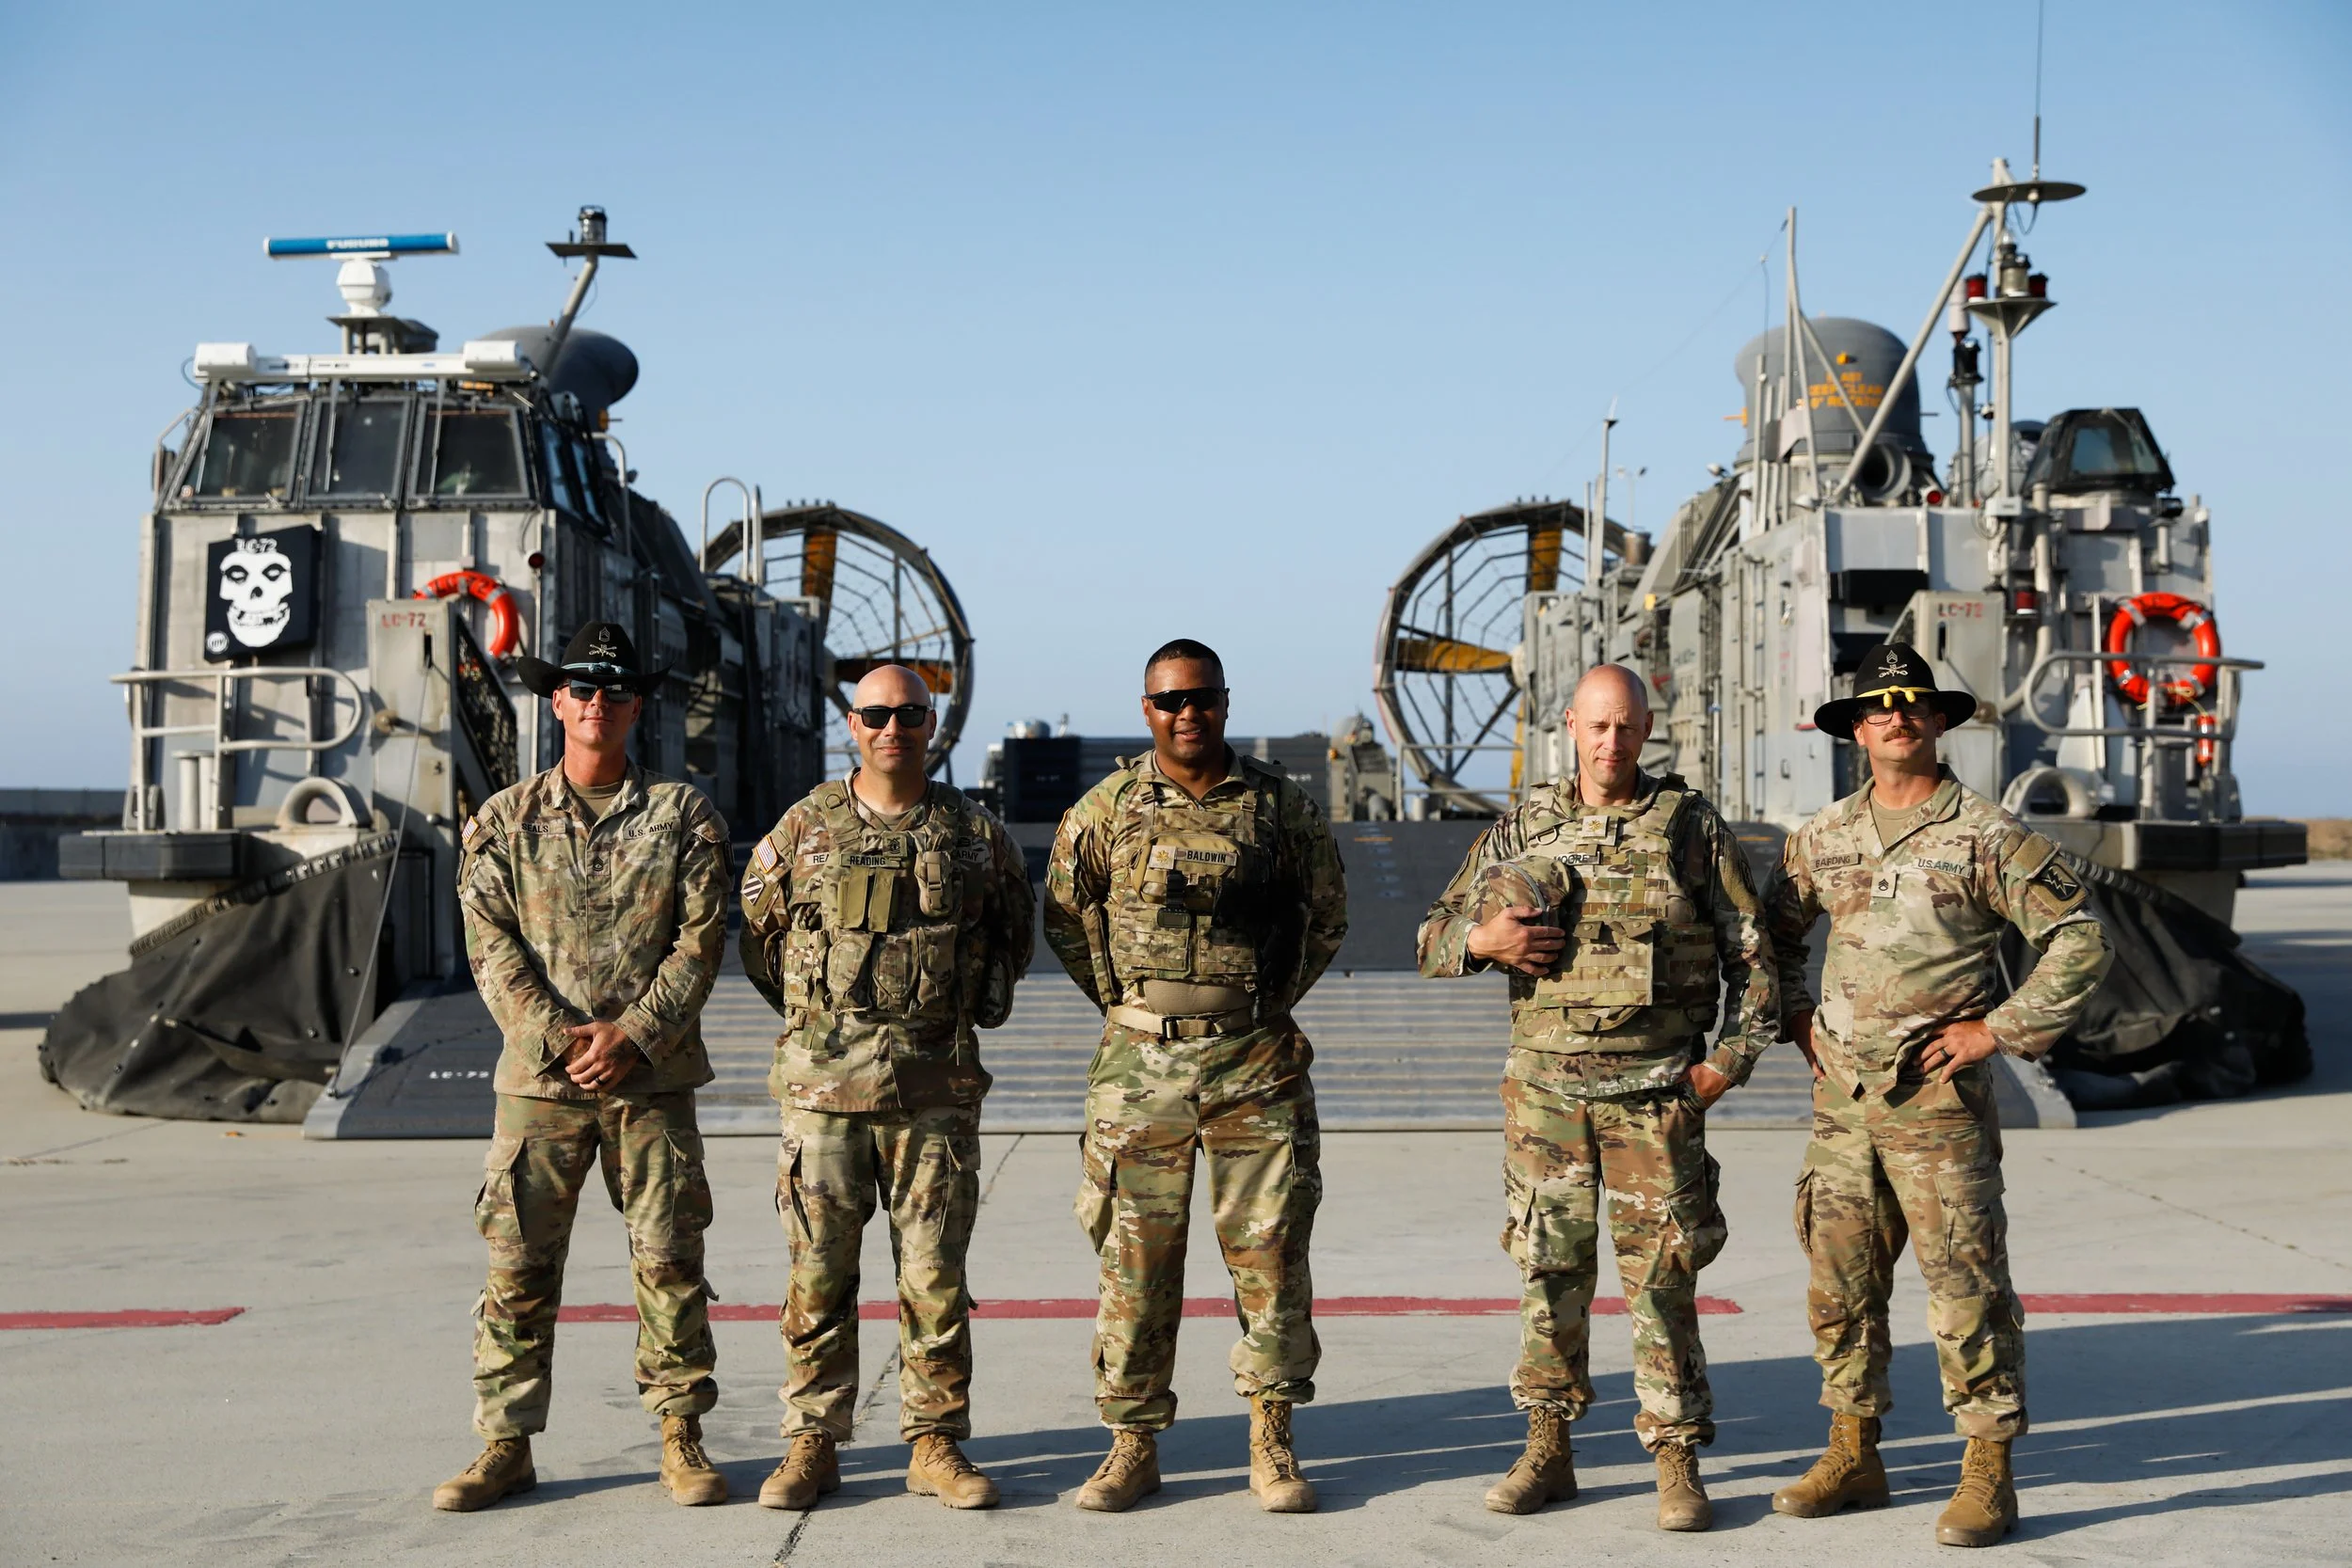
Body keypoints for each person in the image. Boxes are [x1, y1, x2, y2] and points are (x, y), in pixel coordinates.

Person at [1764, 642, 2110, 1548]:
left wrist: (1996, 1029)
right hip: (1841, 1108)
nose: (1897, 716)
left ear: (1941, 720)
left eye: (1914, 703)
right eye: (1879, 706)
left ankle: (1988, 1470)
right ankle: (1853, 1451)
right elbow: (1769, 938)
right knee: (1838, 1284)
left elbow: (2079, 938)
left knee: (1965, 1285)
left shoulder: (1988, 837)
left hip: (1938, 1109)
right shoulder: (1823, 836)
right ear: (1857, 729)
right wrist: (1796, 1016)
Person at [1418, 662, 1776, 1531]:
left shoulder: (1688, 826)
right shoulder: (1524, 825)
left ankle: (1677, 1455)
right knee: (1548, 1272)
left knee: (1663, 1278)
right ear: (1569, 726)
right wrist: (1487, 938)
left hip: (1652, 1094)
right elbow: (1431, 937)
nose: (1611, 741)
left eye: (1626, 726)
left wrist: (1722, 1067)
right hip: (1545, 1098)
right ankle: (1549, 1445)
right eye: (1596, 725)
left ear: (1648, 730)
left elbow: (1756, 961)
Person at [1042, 639, 1348, 1514]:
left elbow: (1325, 913)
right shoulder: (1106, 808)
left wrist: (1263, 1005)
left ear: (1224, 701)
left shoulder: (1279, 807)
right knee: (1135, 1262)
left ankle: (1273, 1441)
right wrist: (1129, 1006)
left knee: (1272, 1255)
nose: (1188, 713)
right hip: (1141, 1069)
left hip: (1254, 1060)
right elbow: (1067, 914)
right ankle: (1133, 1443)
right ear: (1147, 709)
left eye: (1202, 697)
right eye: (1170, 700)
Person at [434, 622, 732, 1512]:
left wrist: (634, 1033)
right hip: (541, 1085)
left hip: (652, 1078)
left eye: (613, 688)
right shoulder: (504, 820)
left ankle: (680, 1433)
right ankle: (505, 1442)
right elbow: (491, 946)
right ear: (555, 700)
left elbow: (702, 940)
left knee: (670, 1258)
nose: (596, 701)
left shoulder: (684, 816)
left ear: (636, 704)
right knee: (519, 1264)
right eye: (579, 687)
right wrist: (564, 1037)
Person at [739, 664, 1034, 1513]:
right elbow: (762, 942)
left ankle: (935, 1441)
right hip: (824, 1091)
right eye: (875, 713)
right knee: (818, 1270)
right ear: (851, 722)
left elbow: (1010, 940)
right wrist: (825, 1033)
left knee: (935, 1270)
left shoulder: (976, 834)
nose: (892, 727)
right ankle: (813, 1440)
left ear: (931, 722)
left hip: (933, 1088)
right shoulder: (802, 831)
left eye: (908, 713)